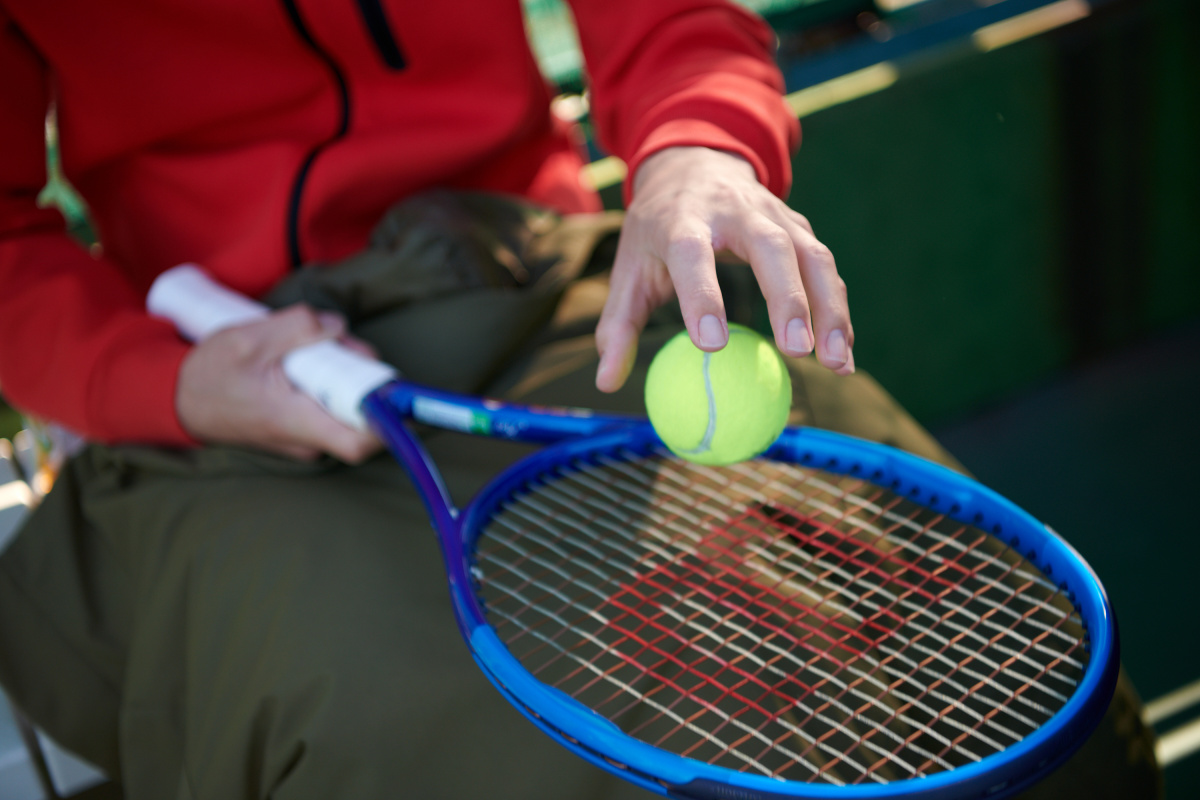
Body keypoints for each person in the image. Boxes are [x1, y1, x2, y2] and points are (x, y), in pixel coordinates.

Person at [0, 1, 1160, 799]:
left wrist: (696, 150)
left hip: (546, 276)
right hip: (212, 377)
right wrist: (165, 379)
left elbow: (669, 23)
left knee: (974, 654)